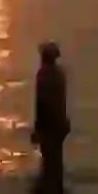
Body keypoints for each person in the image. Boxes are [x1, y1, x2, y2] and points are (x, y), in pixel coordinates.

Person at [31, 41, 70, 180]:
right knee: (56, 159)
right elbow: (61, 101)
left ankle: (49, 185)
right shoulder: (59, 74)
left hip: (49, 123)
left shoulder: (43, 75)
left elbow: (40, 103)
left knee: (48, 159)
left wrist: (37, 127)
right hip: (58, 122)